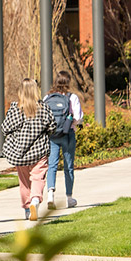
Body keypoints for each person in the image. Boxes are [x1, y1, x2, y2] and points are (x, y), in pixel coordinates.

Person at [0, 78, 56, 221]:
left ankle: (27, 208)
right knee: (38, 177)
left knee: (24, 181)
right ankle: (35, 200)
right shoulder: (43, 108)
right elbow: (52, 126)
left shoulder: (16, 108)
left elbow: (5, 128)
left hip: (20, 152)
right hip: (39, 151)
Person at [42, 71, 83, 208]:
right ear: (69, 82)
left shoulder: (48, 97)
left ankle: (50, 195)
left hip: (52, 135)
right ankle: (69, 197)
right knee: (68, 166)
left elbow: (42, 116)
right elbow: (77, 118)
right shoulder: (73, 98)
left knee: (52, 165)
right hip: (68, 134)